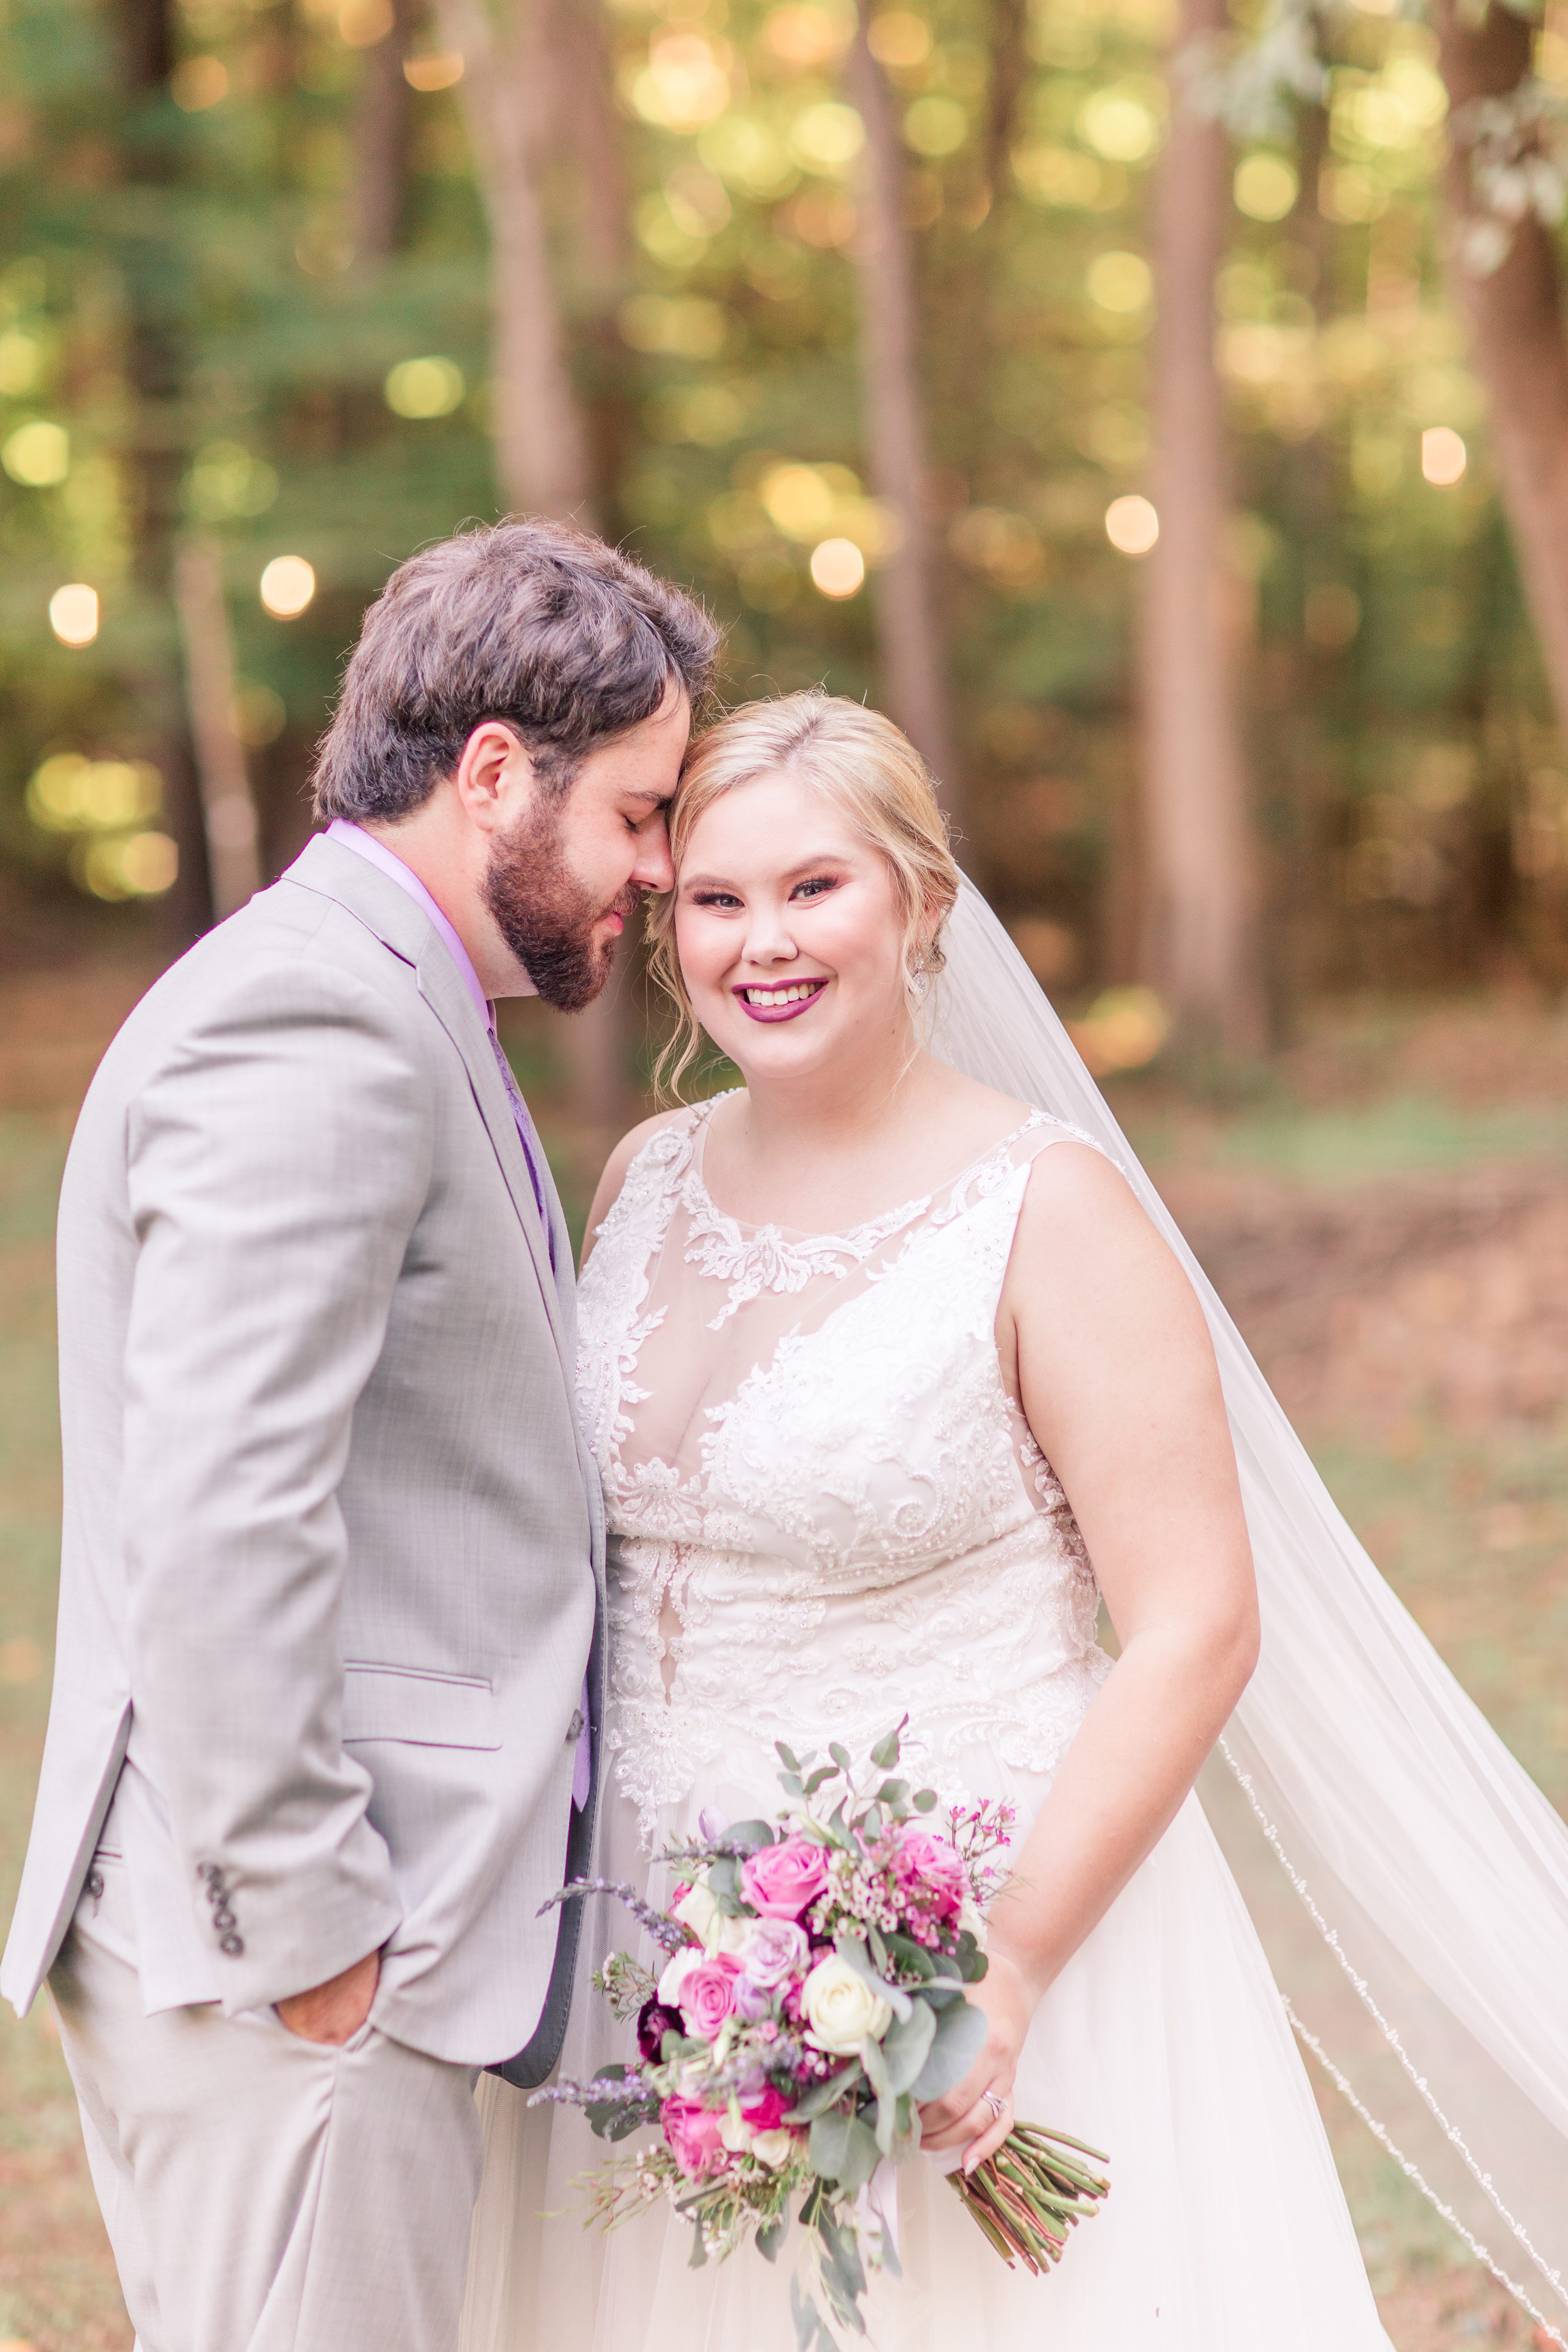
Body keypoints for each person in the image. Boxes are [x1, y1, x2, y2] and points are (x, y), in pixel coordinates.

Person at [460, 690, 1568, 2351]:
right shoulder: (644, 1177)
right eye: (716, 898)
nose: (763, 941)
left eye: (814, 888)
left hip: (974, 1922)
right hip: (654, 1945)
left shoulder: (1048, 1211)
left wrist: (1008, 1966)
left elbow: (1197, 1619)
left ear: (921, 903)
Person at [1, 519, 718, 2352]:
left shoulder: (382, 990)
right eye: (638, 811)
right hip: (300, 1962)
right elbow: (225, 1502)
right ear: (495, 773)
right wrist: (309, 1923)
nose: (658, 865)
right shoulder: (319, 1016)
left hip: (344, 1952)